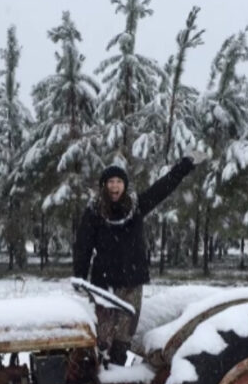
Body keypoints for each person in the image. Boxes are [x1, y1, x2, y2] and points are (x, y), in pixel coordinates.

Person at [73, 155, 198, 365]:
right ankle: (99, 373)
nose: (115, 186)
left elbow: (162, 188)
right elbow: (83, 246)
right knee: (102, 336)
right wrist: (79, 275)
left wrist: (182, 168)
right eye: (111, 182)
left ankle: (119, 372)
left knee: (124, 334)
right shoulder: (93, 212)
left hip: (132, 281)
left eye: (119, 182)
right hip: (104, 284)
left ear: (124, 185)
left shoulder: (136, 207)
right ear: (104, 185)